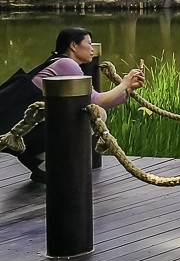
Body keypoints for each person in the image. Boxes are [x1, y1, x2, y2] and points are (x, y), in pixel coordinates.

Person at [20, 27, 145, 183]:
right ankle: (46, 165)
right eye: (89, 44)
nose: (92, 49)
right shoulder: (66, 64)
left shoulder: (60, 63)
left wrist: (128, 87)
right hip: (31, 135)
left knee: (97, 111)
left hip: (30, 134)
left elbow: (99, 100)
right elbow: (97, 101)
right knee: (94, 113)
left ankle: (44, 160)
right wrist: (125, 82)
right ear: (73, 46)